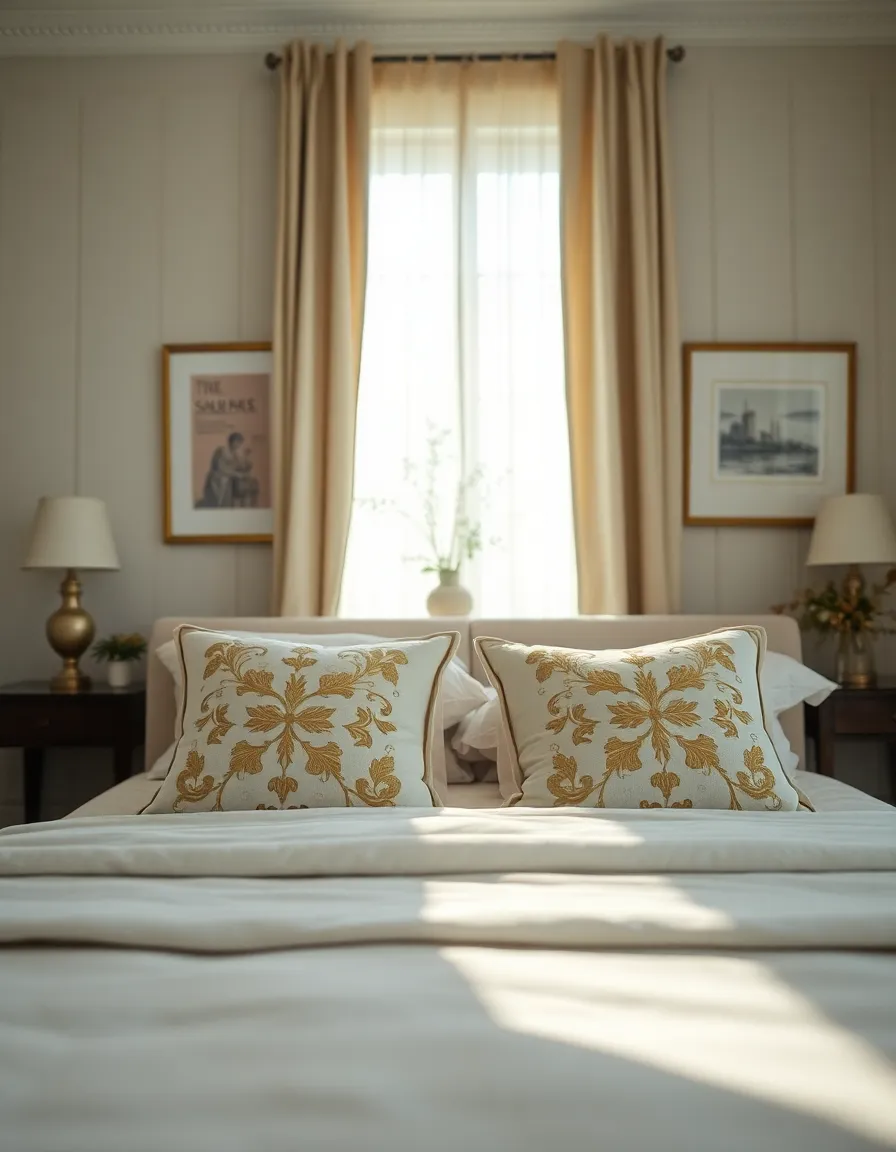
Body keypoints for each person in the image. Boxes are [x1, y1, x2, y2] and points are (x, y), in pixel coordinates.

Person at [197, 432, 259, 509]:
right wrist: (236, 474)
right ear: (232, 442)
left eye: (240, 443)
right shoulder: (221, 451)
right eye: (237, 442)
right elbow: (220, 468)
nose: (238, 445)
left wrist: (247, 456)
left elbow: (241, 466)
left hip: (228, 479)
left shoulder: (235, 454)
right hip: (217, 480)